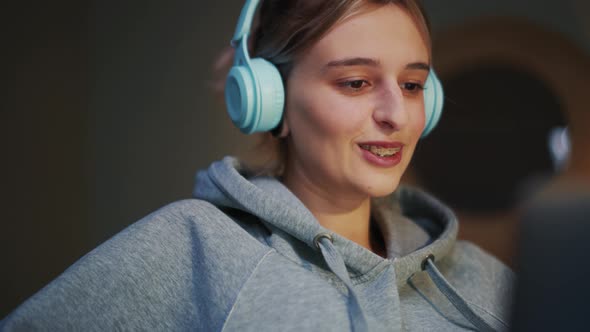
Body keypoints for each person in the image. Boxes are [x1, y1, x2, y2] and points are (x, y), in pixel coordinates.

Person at [1, 0, 513, 331]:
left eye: (412, 85)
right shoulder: (191, 248)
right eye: (355, 82)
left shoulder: (483, 279)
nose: (396, 115)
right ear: (269, 100)